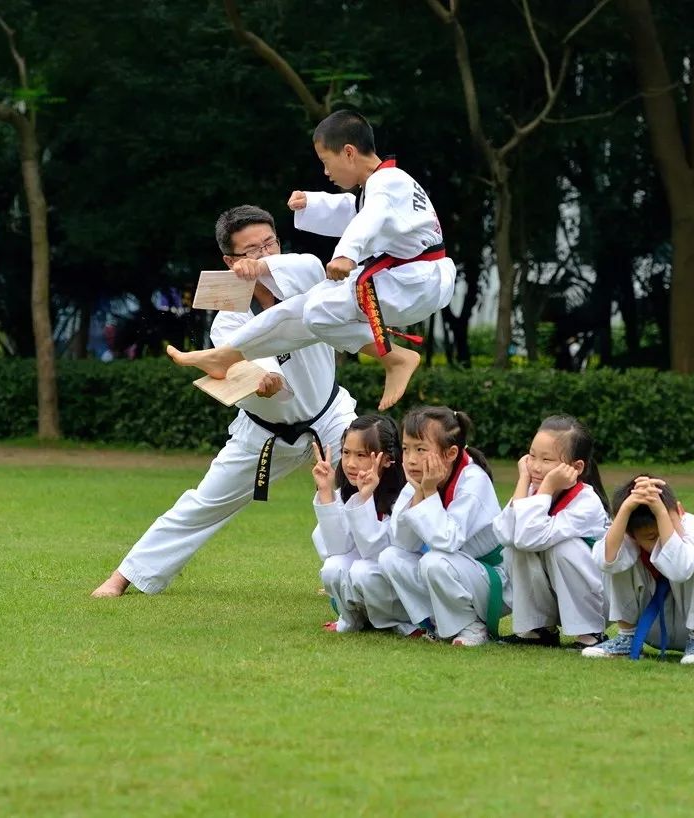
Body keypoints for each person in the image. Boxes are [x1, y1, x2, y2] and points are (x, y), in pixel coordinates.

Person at [91, 205, 357, 597]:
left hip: (330, 416)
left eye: (270, 243)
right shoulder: (227, 320)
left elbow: (312, 264)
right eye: (252, 251)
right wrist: (266, 382)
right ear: (230, 262)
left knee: (363, 482)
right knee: (204, 503)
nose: (265, 255)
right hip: (266, 433)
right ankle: (126, 576)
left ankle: (345, 573)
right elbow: (259, 375)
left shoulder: (308, 282)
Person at [165, 110, 455, 412]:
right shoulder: (384, 184)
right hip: (409, 280)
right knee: (302, 309)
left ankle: (393, 357)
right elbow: (355, 210)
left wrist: (346, 254)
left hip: (413, 282)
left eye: (326, 162)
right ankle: (226, 356)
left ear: (349, 153)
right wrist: (313, 203)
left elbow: (371, 217)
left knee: (317, 312)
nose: (326, 173)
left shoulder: (387, 184)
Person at [378, 407, 507, 646]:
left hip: (492, 579)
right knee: (390, 557)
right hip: (455, 572)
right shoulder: (420, 479)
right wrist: (419, 492)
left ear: (450, 453)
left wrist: (428, 491)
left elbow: (448, 541)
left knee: (434, 560)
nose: (411, 459)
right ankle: (437, 621)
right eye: (406, 449)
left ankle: (472, 626)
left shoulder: (473, 482)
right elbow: (403, 542)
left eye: (421, 449)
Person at [493, 415, 610, 648]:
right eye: (532, 456)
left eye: (547, 459)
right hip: (554, 592)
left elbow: (528, 537)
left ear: (576, 468)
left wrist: (545, 487)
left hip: (595, 598)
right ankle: (538, 629)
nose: (536, 466)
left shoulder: (587, 502)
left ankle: (590, 632)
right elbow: (506, 535)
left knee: (565, 548)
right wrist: (523, 481)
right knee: (515, 549)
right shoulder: (531, 491)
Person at [582, 475, 694, 664]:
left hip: (692, 625)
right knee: (614, 560)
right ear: (631, 533)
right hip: (647, 627)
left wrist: (662, 513)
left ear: (680, 511)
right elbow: (606, 561)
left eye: (667, 522)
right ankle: (626, 638)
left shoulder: (693, 525)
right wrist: (625, 510)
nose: (660, 542)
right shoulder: (628, 536)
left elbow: (681, 568)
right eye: (650, 537)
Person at [310, 414, 419, 635]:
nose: (350, 463)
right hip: (371, 583)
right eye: (346, 453)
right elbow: (335, 549)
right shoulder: (346, 492)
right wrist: (325, 492)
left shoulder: (407, 495)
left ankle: (401, 623)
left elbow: (377, 553)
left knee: (363, 570)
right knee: (333, 567)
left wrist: (366, 499)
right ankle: (351, 619)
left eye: (361, 455)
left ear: (387, 459)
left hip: (403, 587)